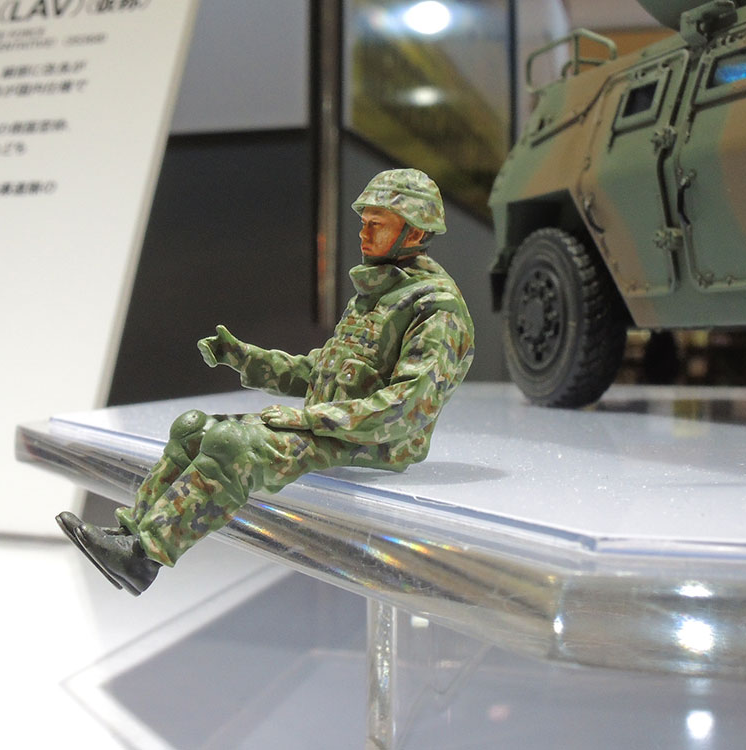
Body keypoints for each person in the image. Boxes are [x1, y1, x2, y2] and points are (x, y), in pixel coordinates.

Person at [57, 168, 474, 595]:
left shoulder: (436, 309)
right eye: (363, 222)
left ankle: (144, 558)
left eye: (377, 224)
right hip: (332, 426)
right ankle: (130, 536)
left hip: (375, 441)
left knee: (231, 443)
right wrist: (244, 358)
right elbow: (321, 372)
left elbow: (406, 407)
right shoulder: (376, 296)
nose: (363, 234)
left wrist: (306, 420)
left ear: (414, 232)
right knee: (192, 428)